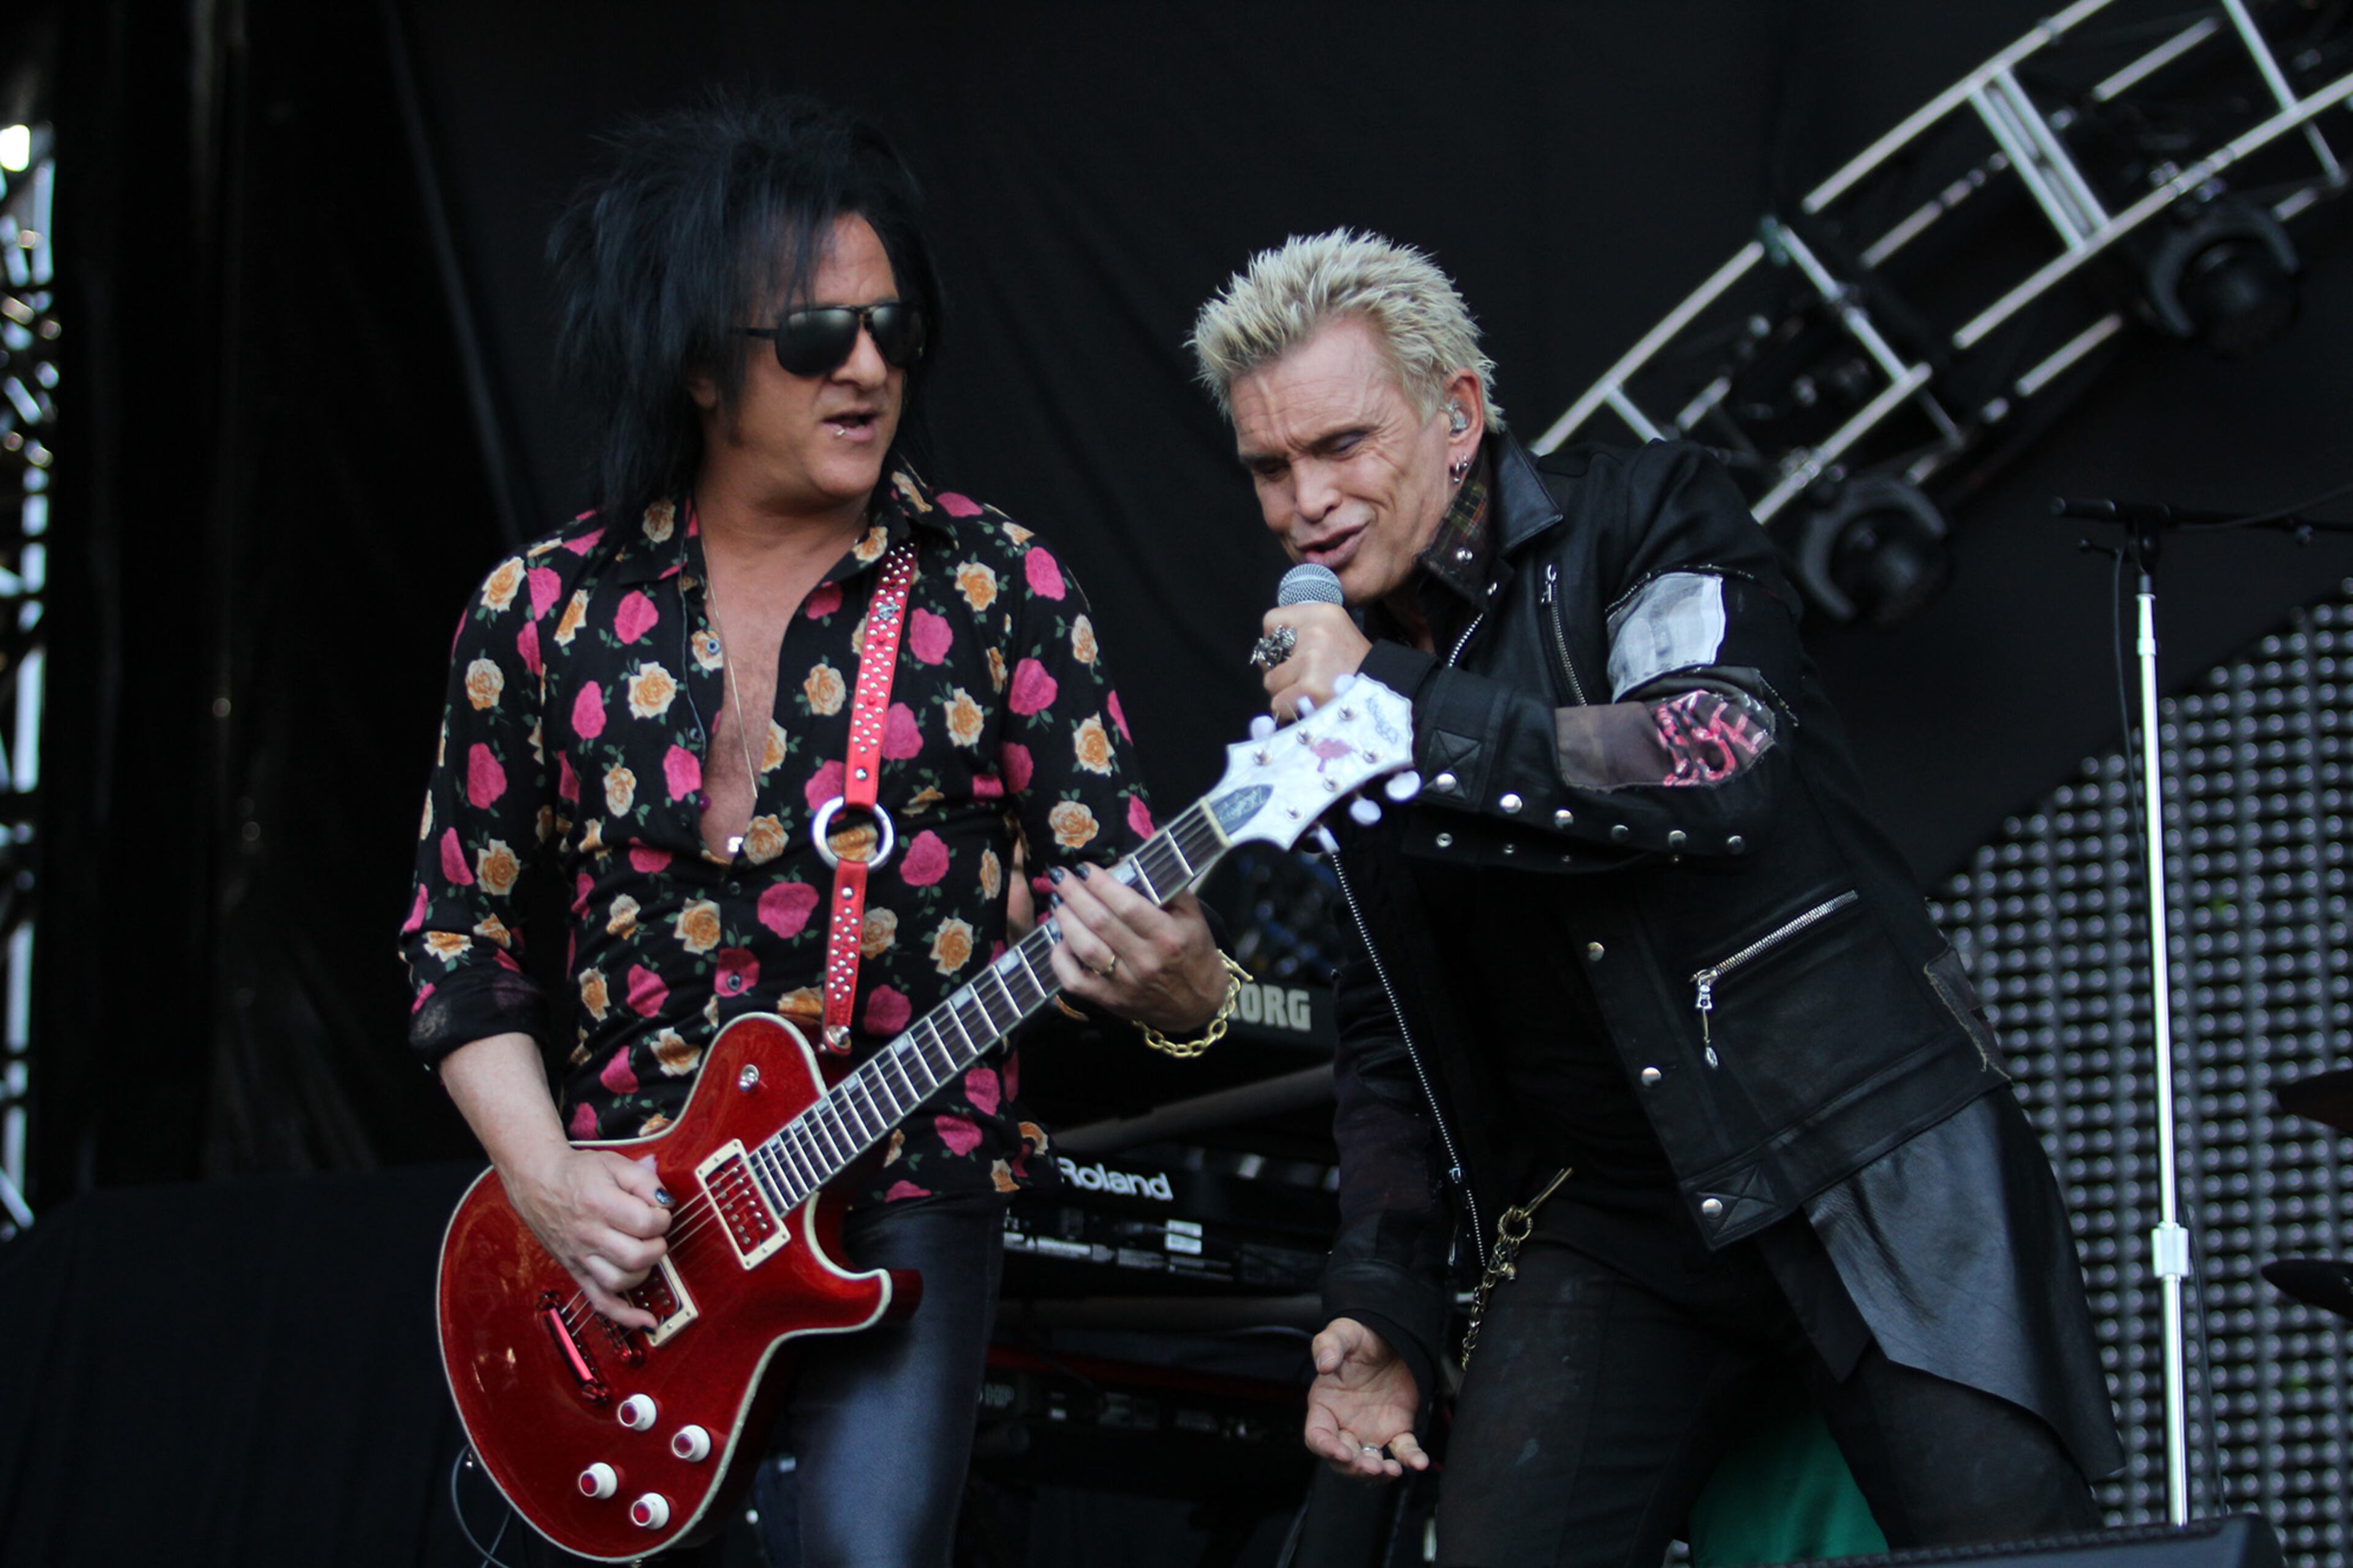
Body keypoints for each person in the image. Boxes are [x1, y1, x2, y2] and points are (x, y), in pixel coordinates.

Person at [1189, 230, 2124, 1567]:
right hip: (1617, 1225)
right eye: (1271, 468)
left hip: (1853, 1151)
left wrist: (1395, 708)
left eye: (1344, 444)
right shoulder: (1338, 686)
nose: (1306, 502)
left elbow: (1710, 758)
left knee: (2012, 1558)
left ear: (1457, 416)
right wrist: (1381, 1291)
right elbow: (1391, 1024)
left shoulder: (1644, 515)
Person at [397, 96, 1235, 1568]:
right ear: (704, 367)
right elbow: (455, 943)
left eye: (890, 328)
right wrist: (546, 1176)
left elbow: (1179, 969)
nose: (865, 366)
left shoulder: (997, 587)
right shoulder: (540, 611)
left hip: (903, 1196)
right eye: (810, 337)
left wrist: (1179, 984)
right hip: (622, 1238)